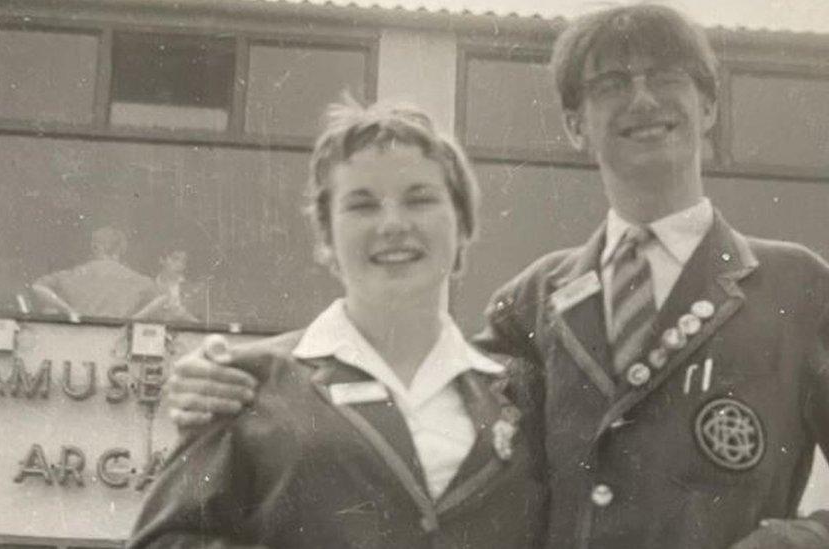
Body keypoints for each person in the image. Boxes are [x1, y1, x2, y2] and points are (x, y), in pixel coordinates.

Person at [165, 5, 829, 549]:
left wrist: (793, 541)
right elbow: (423, 385)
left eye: (665, 78)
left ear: (708, 107)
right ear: (575, 125)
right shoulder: (537, 298)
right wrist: (246, 374)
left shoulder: (796, 287)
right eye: (610, 85)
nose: (642, 99)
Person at [126, 100, 548, 549]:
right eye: (362, 205)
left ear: (462, 226)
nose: (393, 225)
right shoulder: (247, 384)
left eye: (419, 199)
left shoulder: (521, 393)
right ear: (326, 240)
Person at [32, 226, 157, 321]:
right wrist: (135, 319)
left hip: (80, 334)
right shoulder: (136, 279)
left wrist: (68, 310)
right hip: (119, 337)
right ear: (122, 249)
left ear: (95, 247)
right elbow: (162, 297)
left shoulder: (75, 274)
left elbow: (38, 287)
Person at [133, 249, 199, 322]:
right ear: (162, 260)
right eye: (175, 259)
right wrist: (154, 306)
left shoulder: (194, 290)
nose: (180, 264)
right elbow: (130, 320)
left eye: (184, 261)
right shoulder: (146, 287)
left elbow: (206, 326)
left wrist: (185, 315)